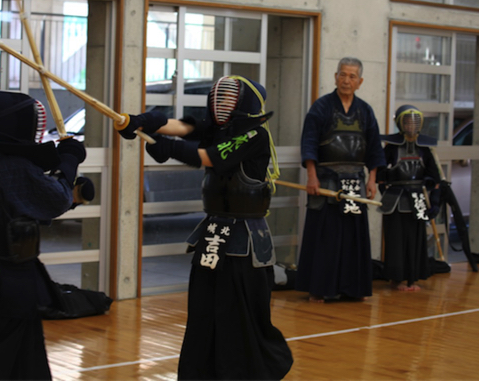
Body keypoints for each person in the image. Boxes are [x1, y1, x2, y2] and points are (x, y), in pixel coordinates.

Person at [119, 76, 293, 380]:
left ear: (245, 103)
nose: (219, 104)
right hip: (212, 232)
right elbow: (183, 127)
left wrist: (168, 147)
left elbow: (208, 157)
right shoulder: (216, 129)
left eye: (228, 99)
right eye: (217, 98)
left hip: (245, 239)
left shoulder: (254, 135)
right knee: (204, 311)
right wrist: (142, 122)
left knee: (236, 314)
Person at [0, 91, 92, 380]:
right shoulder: (10, 166)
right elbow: (54, 199)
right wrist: (69, 161)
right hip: (3, 275)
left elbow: (30, 203)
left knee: (27, 357)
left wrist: (65, 171)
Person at [296, 57, 386, 303]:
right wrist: (311, 176)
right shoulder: (321, 107)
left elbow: (375, 149)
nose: (347, 80)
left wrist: (372, 180)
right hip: (325, 179)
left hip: (355, 180)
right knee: (326, 235)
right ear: (335, 77)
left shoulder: (365, 110)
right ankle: (319, 287)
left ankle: (352, 288)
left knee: (352, 236)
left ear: (360, 82)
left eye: (352, 76)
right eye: (343, 75)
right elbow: (309, 143)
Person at [377, 105, 441, 291]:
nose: (411, 125)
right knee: (396, 240)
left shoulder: (425, 149)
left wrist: (435, 202)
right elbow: (380, 174)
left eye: (415, 122)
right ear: (400, 123)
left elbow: (436, 179)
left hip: (418, 198)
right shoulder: (391, 148)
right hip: (395, 198)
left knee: (415, 238)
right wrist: (386, 191)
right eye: (407, 121)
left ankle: (412, 279)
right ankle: (396, 279)